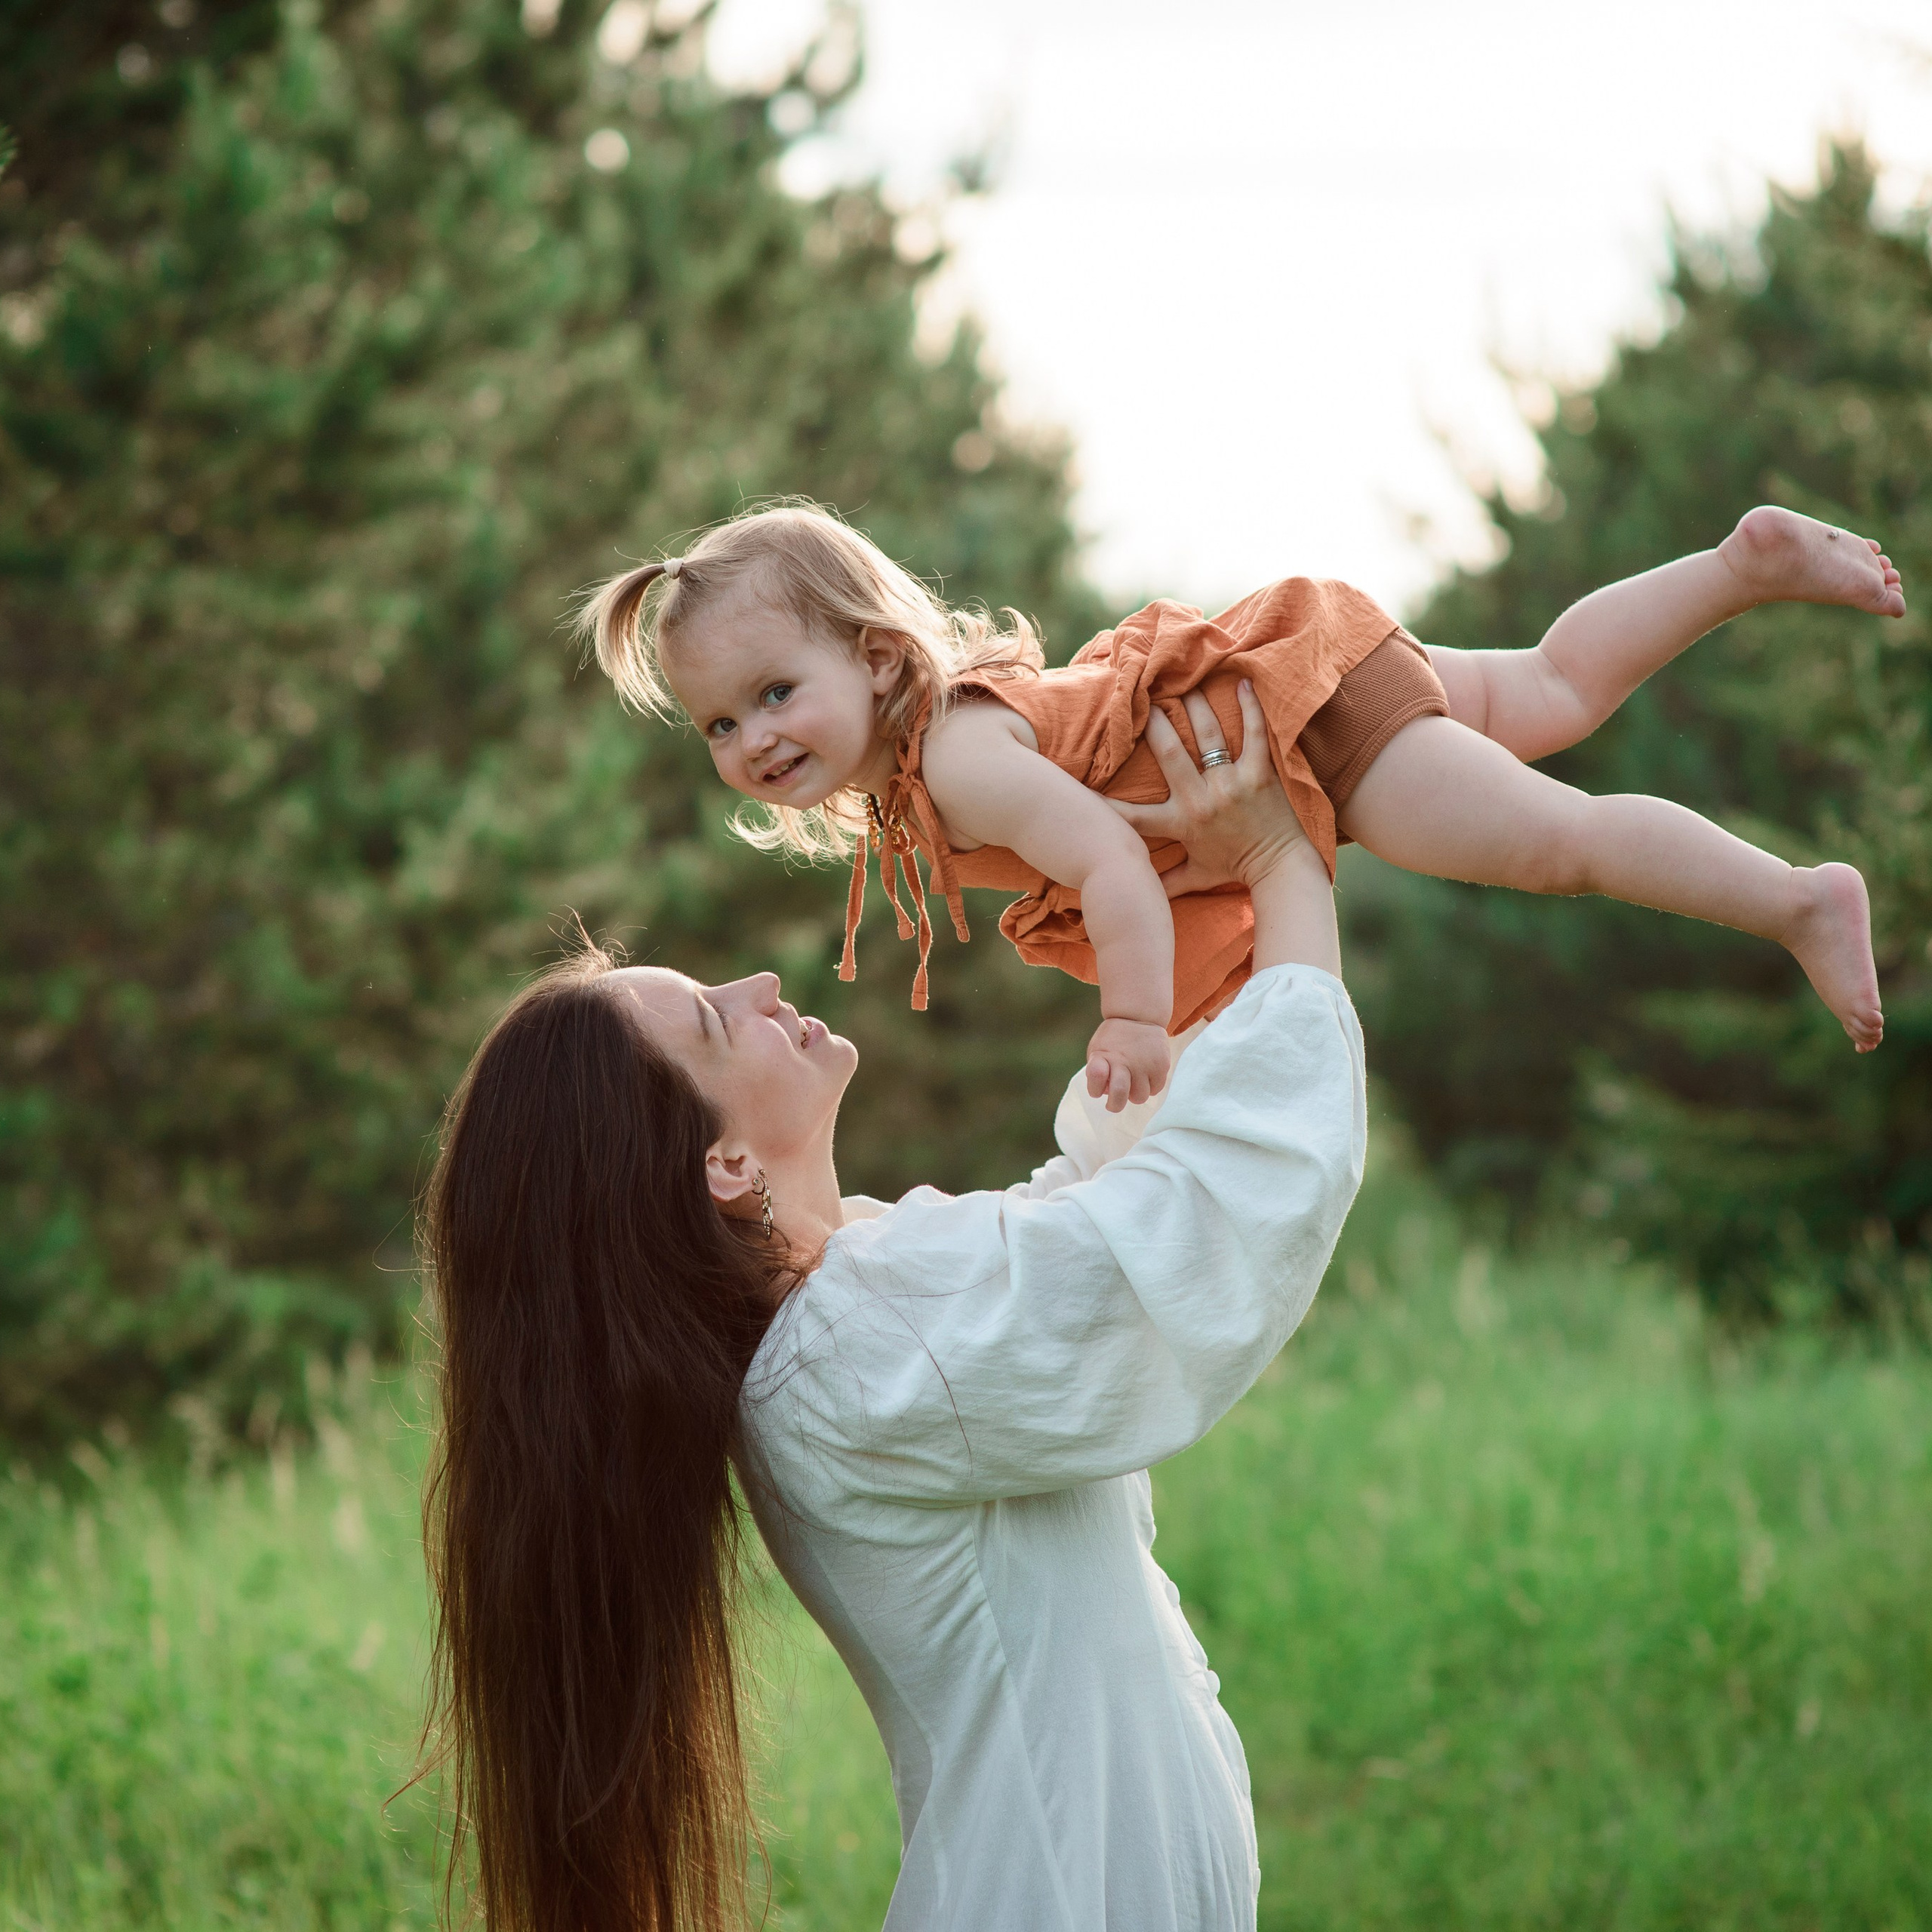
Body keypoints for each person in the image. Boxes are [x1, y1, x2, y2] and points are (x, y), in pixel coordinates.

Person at [419, 697, 1361, 1931]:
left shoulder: (854, 1309)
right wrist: (1286, 863)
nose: (762, 983)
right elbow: (1195, 1235)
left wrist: (1184, 920)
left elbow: (1088, 1226)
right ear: (720, 1169)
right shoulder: (855, 1349)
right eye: (716, 1019)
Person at [583, 500, 1902, 1109]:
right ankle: (1742, 562)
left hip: (1290, 727)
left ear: (875, 658)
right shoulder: (925, 777)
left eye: (772, 692)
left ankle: (1795, 897)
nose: (753, 739)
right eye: (720, 724)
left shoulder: (957, 763)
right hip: (1282, 683)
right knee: (1548, 688)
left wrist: (1139, 1025)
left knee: (1559, 842)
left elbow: (1106, 860)